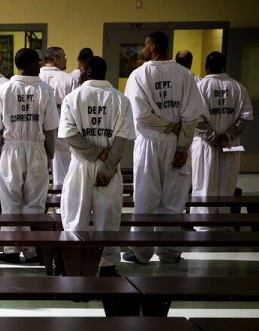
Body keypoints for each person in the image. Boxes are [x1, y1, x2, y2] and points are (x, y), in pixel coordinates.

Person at [123, 31, 207, 265]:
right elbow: (191, 115)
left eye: (145, 45)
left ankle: (141, 253)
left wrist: (168, 126)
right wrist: (182, 147)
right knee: (174, 200)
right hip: (177, 142)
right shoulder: (185, 75)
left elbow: (140, 114)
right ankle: (169, 252)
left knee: (145, 198)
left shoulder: (139, 75)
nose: (143, 49)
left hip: (149, 143)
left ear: (152, 47)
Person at [59, 56, 135, 276]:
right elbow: (122, 137)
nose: (79, 73)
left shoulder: (73, 97)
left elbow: (71, 135)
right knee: (108, 217)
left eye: (82, 69)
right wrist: (108, 166)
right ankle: (107, 265)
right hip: (109, 167)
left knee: (75, 215)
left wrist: (95, 153)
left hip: (81, 165)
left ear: (90, 71)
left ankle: (75, 263)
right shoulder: (120, 99)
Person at [0, 48, 59, 264]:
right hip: (36, 148)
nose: (40, 66)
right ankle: (31, 249)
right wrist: (49, 155)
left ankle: (11, 248)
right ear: (30, 64)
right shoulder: (45, 90)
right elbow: (50, 129)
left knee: (10, 201)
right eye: (37, 62)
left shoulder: (4, 89)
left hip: (11, 149)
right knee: (34, 202)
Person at [190, 51, 254, 228]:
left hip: (205, 146)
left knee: (204, 185)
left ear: (206, 67)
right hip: (230, 145)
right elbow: (246, 116)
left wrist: (213, 137)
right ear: (224, 66)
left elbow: (195, 117)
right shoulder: (238, 88)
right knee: (227, 186)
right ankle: (223, 224)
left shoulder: (200, 87)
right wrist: (228, 136)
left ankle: (203, 226)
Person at [40, 46, 78, 189]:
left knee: (37, 179)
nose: (66, 59)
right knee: (61, 178)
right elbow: (74, 109)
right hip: (60, 132)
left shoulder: (36, 77)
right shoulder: (68, 80)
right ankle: (60, 203)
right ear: (56, 59)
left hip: (37, 132)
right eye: (64, 57)